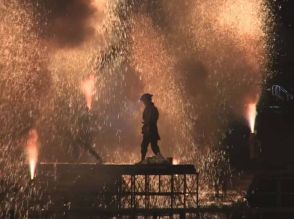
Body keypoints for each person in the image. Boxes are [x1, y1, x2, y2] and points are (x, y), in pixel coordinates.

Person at [139, 93, 162, 162]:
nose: (143, 102)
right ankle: (142, 160)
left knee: (153, 146)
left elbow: (153, 119)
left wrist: (148, 124)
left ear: (147, 100)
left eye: (144, 101)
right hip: (148, 130)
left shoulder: (152, 109)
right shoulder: (148, 109)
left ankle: (161, 159)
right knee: (144, 145)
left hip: (151, 130)